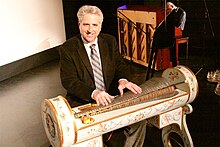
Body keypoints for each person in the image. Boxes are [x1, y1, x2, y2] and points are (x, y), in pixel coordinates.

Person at [59, 5, 147, 147]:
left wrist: (123, 80)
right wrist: (94, 93)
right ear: (79, 25)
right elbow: (69, 81)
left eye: (95, 25)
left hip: (111, 97)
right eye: (86, 24)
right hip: (84, 101)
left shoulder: (110, 41)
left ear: (100, 26)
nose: (90, 30)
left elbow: (120, 65)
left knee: (139, 121)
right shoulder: (68, 48)